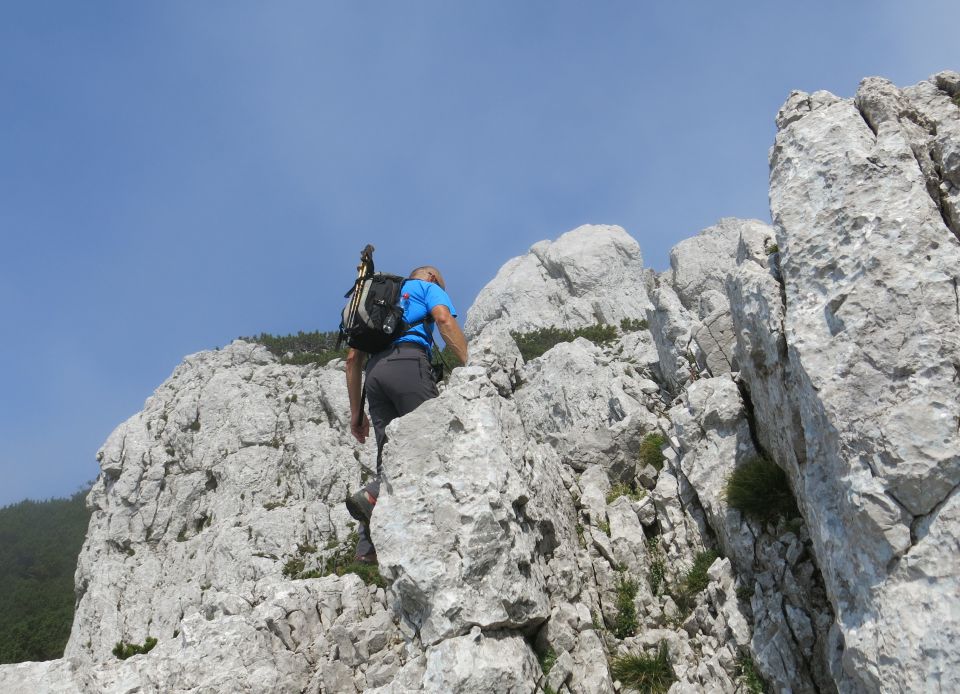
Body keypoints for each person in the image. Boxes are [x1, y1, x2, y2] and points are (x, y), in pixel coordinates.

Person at [344, 265, 468, 563]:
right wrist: (470, 365)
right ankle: (374, 495)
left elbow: (352, 360)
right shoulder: (427, 289)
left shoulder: (377, 300)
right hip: (408, 363)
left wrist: (356, 414)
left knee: (389, 457)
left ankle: (368, 546)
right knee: (433, 438)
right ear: (435, 278)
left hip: (374, 379)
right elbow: (443, 319)